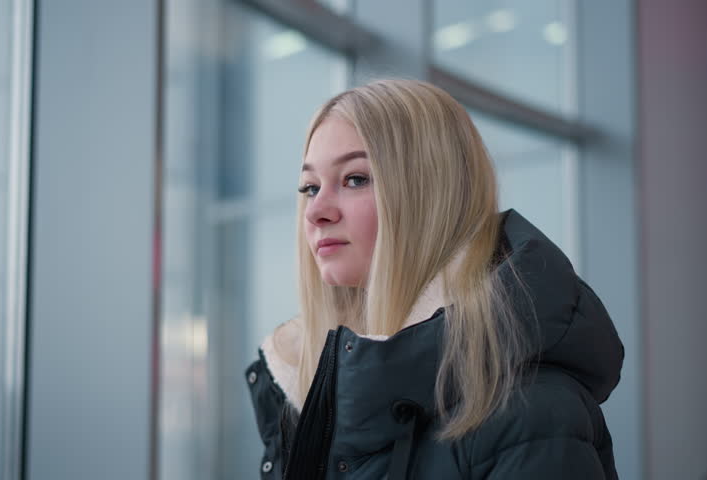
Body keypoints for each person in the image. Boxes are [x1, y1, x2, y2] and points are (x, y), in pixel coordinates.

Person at [244, 79, 623, 479]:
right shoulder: (314, 396)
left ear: (430, 192)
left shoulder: (533, 413)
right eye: (309, 187)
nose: (315, 211)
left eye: (355, 179)